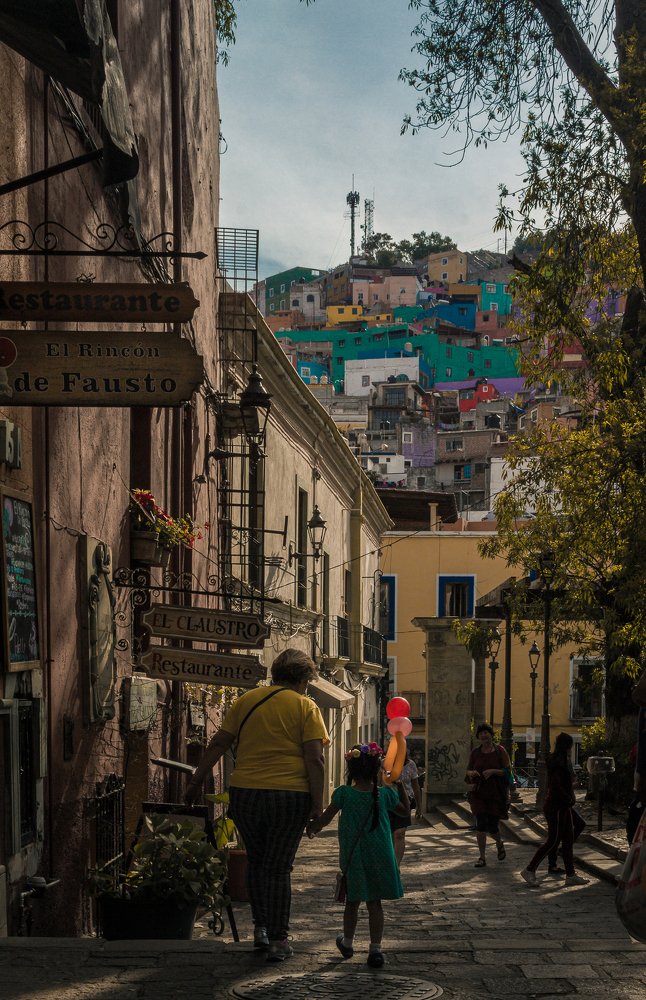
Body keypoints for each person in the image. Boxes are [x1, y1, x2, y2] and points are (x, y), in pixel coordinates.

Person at [184, 648, 328, 962]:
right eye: (307, 681)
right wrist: (318, 805)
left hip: (246, 792)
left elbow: (219, 742)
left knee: (257, 861)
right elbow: (314, 759)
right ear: (303, 679)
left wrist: (196, 782)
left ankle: (261, 929)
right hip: (289, 796)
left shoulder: (246, 701)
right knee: (278, 868)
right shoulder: (306, 707)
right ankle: (278, 940)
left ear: (275, 673)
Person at [307, 742, 408, 968]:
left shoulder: (343, 794)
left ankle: (348, 943)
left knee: (352, 902)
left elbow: (324, 820)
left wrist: (311, 827)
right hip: (381, 855)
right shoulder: (385, 795)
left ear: (351, 771)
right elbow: (404, 809)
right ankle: (375, 950)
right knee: (375, 903)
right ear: (375, 771)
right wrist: (398, 784)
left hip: (354, 857)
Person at [520, 732, 590, 887]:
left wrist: (568, 797)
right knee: (553, 840)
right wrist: (569, 798)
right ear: (568, 746)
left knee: (568, 840)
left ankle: (570, 874)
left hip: (562, 806)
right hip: (557, 806)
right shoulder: (559, 762)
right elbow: (557, 786)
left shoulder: (559, 760)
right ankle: (530, 869)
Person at [465, 723, 511, 867]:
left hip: (495, 794)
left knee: (492, 826)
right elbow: (468, 771)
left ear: (491, 735)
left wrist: (493, 771)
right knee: (481, 823)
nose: (484, 736)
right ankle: (482, 857)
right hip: (478, 794)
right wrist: (471, 773)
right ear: (478, 736)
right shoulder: (475, 753)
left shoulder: (500, 751)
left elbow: (508, 772)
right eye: (481, 733)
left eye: (486, 733)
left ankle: (499, 842)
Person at [389, 750, 423, 865]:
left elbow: (415, 785)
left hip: (405, 803)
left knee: (399, 833)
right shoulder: (386, 763)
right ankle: (391, 860)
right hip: (389, 802)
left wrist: (419, 806)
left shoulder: (411, 764)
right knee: (390, 833)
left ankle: (396, 864)